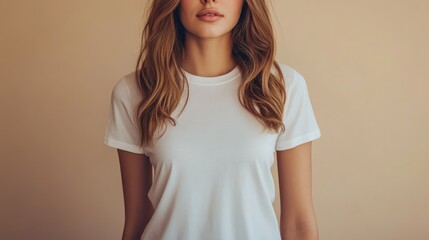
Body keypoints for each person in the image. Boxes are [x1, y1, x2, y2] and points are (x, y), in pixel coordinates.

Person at [104, 0, 321, 239]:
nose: (210, 0)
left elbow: (299, 223)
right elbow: (136, 223)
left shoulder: (282, 87)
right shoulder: (135, 92)